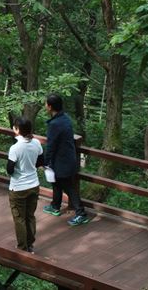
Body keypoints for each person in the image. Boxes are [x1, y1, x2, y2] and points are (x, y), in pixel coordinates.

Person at [42, 93, 90, 226]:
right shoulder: (65, 118)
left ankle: (81, 213)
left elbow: (51, 145)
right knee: (56, 182)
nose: (45, 105)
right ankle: (55, 206)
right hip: (66, 158)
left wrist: (45, 162)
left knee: (68, 187)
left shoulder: (55, 124)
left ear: (50, 106)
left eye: (46, 103)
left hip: (62, 161)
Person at [7, 117, 44, 253]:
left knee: (19, 218)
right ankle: (30, 244)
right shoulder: (36, 143)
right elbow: (40, 161)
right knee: (30, 216)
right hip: (34, 184)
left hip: (18, 187)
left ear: (17, 130)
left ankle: (22, 247)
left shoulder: (15, 148)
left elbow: (9, 169)